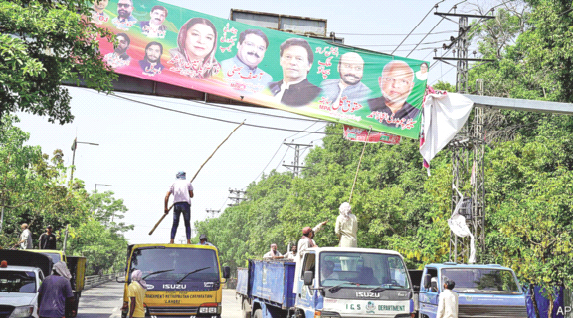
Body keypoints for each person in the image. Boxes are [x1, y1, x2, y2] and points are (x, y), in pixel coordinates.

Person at [268, 38, 321, 107]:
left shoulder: (317, 94)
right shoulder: (268, 87)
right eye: (288, 57)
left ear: (309, 65)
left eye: (299, 59)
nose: (292, 62)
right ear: (281, 60)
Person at [220, 29, 273, 93]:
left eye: (260, 48)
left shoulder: (267, 80)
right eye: (250, 44)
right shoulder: (221, 68)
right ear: (239, 45)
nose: (255, 51)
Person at [367, 60, 420, 124]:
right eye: (389, 79)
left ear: (411, 86)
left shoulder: (417, 114)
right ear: (380, 81)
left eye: (403, 81)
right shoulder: (365, 106)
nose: (395, 85)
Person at [164, 171, 194, 244]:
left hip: (176, 205)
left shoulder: (173, 184)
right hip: (185, 204)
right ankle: (188, 241)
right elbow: (191, 195)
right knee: (187, 223)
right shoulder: (188, 183)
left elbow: (167, 196)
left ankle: (172, 240)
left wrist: (166, 207)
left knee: (175, 223)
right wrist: (188, 190)